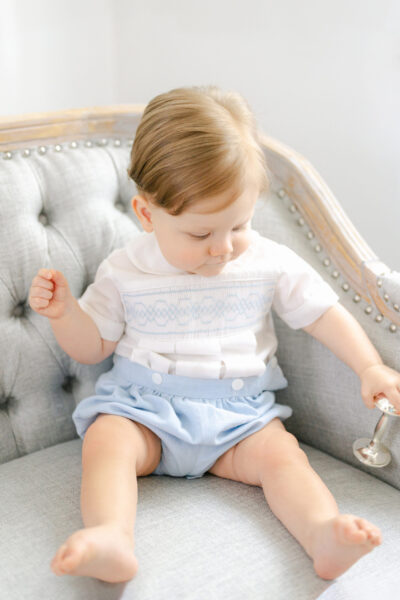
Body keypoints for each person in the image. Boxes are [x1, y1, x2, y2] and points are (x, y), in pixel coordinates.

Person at [28, 85, 400, 584]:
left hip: (240, 417)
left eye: (238, 225)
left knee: (282, 456)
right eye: (200, 234)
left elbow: (321, 313)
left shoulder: (266, 260)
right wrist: (64, 312)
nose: (223, 248)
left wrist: (368, 365)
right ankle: (112, 536)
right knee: (106, 442)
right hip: (146, 411)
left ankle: (323, 534)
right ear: (147, 214)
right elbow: (92, 346)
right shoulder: (124, 270)